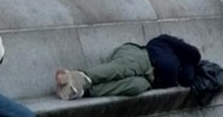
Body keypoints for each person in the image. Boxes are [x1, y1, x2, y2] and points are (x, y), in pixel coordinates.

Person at [55, 34, 205, 100]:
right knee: (123, 69)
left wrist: (188, 66)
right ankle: (78, 76)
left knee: (133, 87)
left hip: (149, 81)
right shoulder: (165, 43)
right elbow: (195, 54)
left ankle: (83, 91)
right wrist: (190, 60)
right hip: (142, 57)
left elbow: (188, 79)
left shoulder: (185, 68)